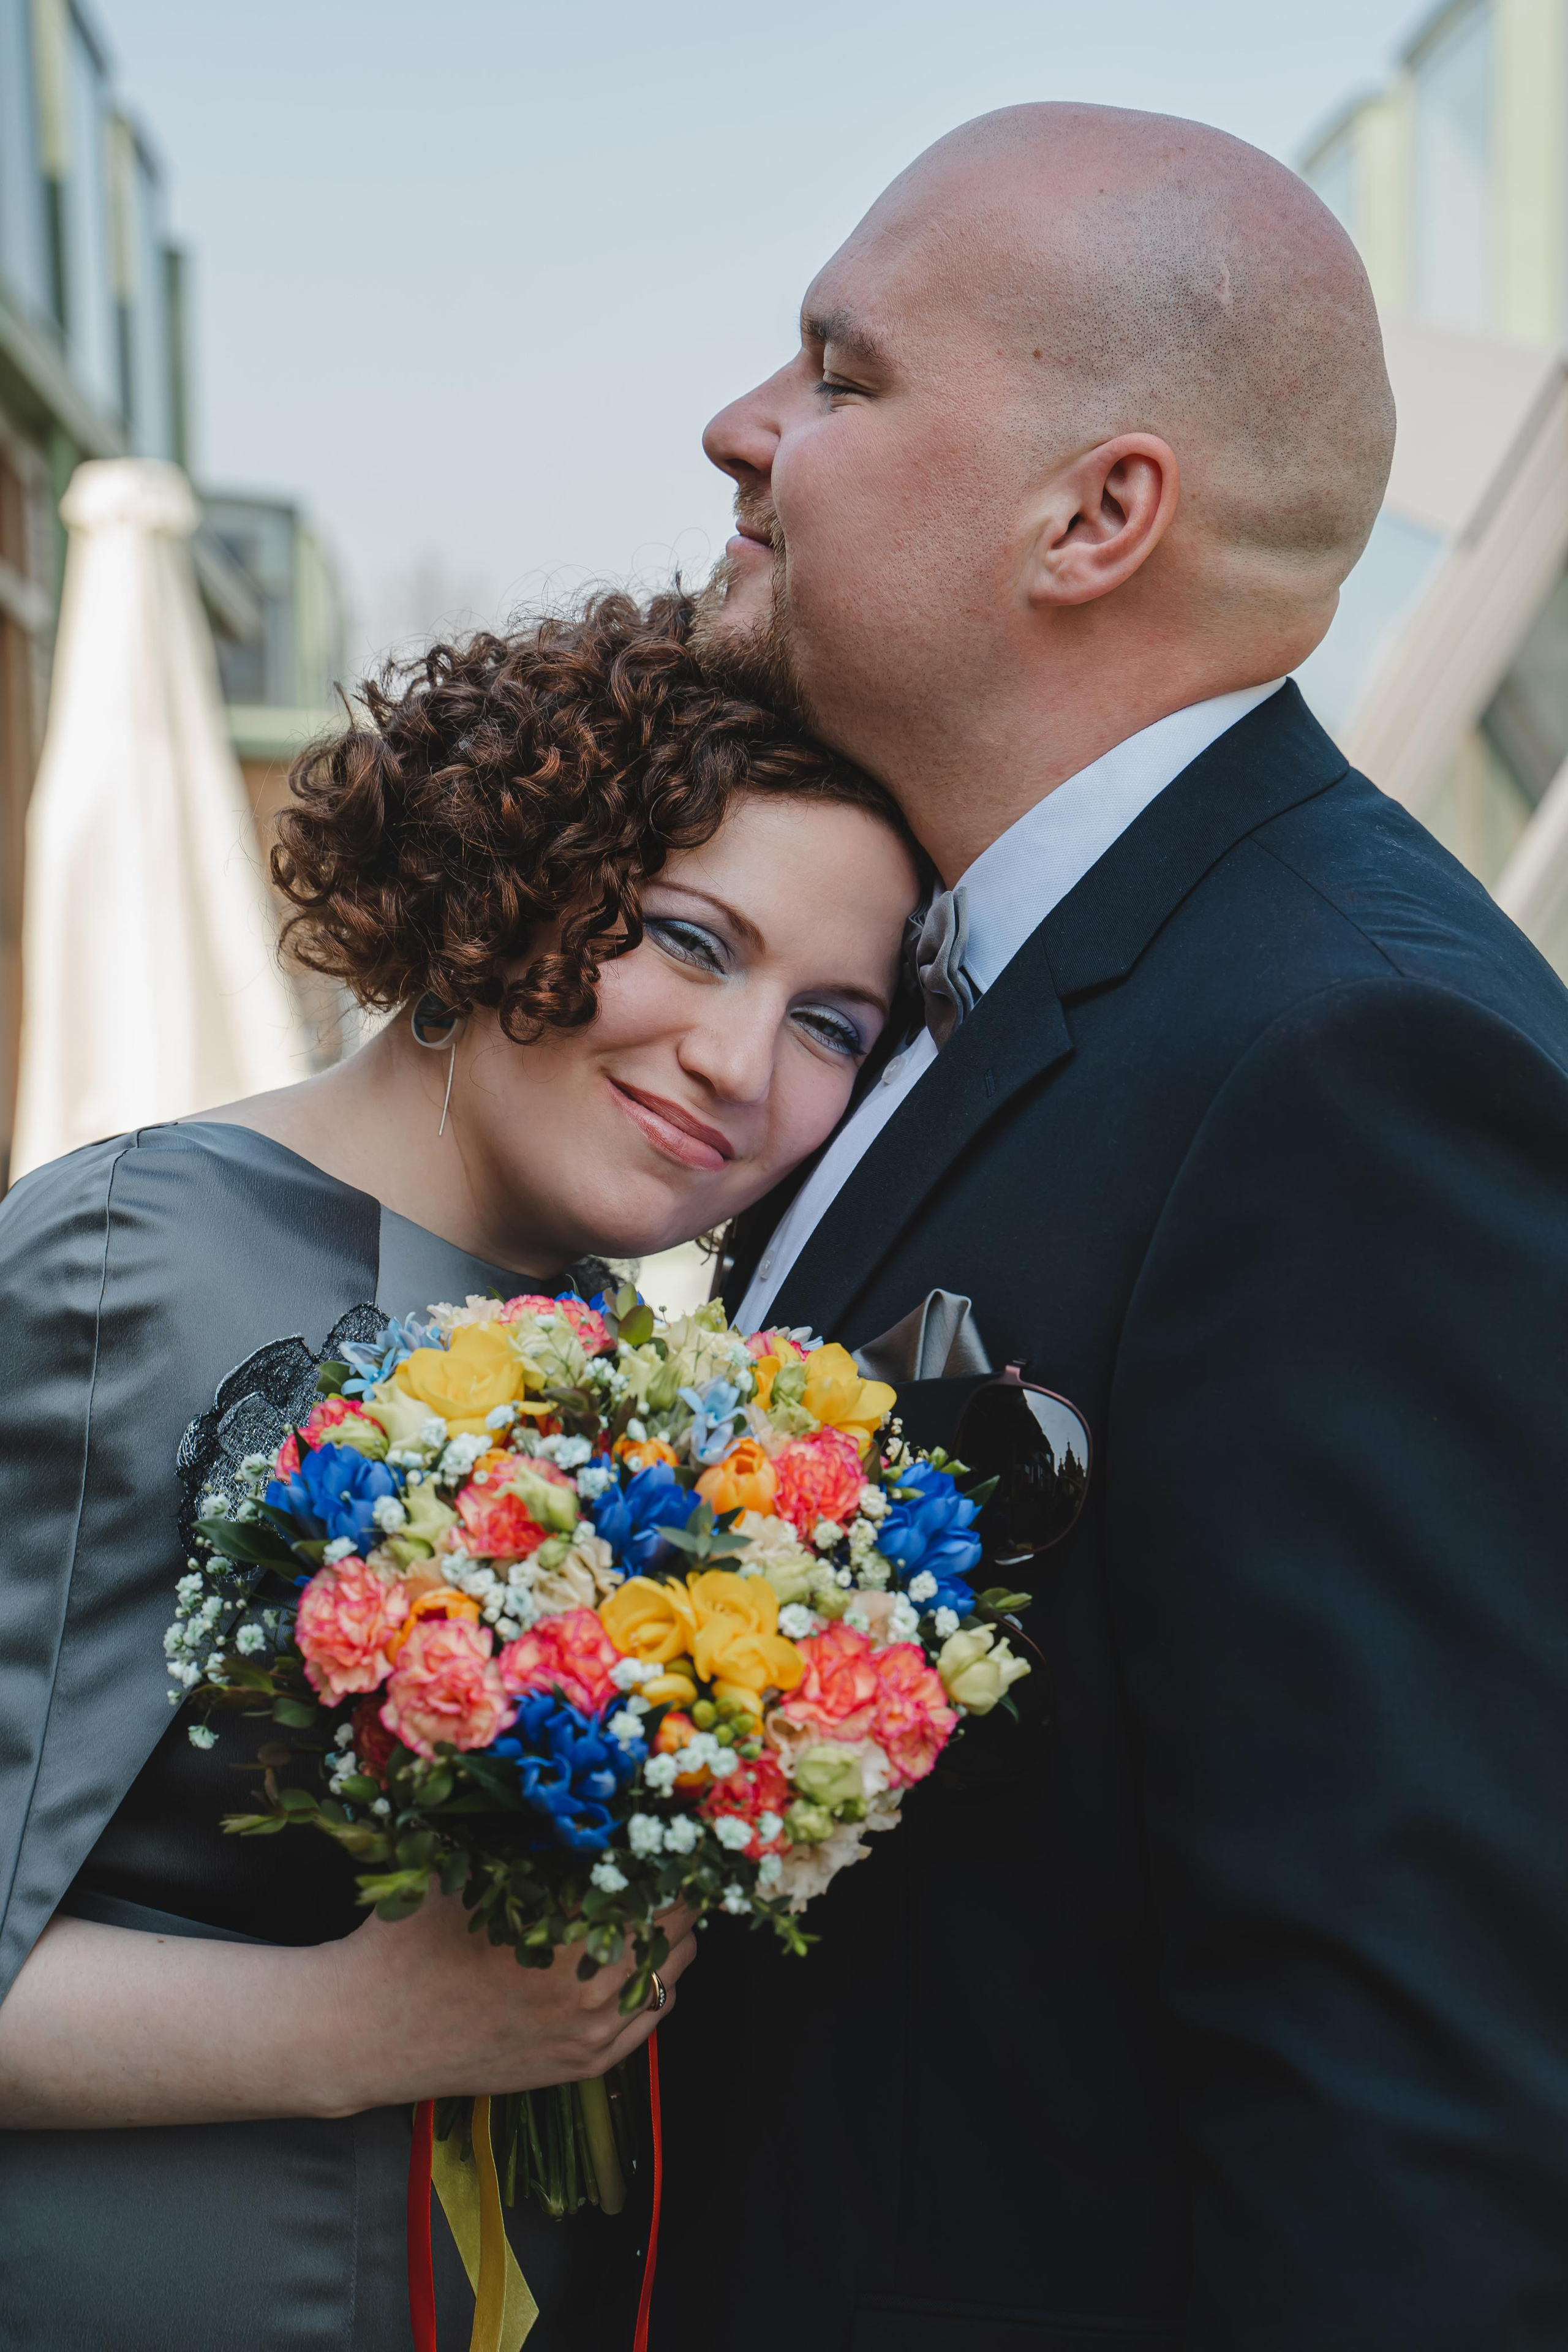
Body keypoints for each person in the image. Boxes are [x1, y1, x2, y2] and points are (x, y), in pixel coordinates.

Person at [654, 105, 1568, 2350]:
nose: (740, 430)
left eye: (843, 379)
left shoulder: (1353, 1060)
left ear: (1098, 517)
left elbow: (1405, 2066)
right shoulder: (993, 986)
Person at [0, 590, 922, 2352]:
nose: (739, 1067)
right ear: (514, 871)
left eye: (834, 1024)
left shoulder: (608, 1356)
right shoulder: (144, 1262)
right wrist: (372, 2029)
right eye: (691, 939)